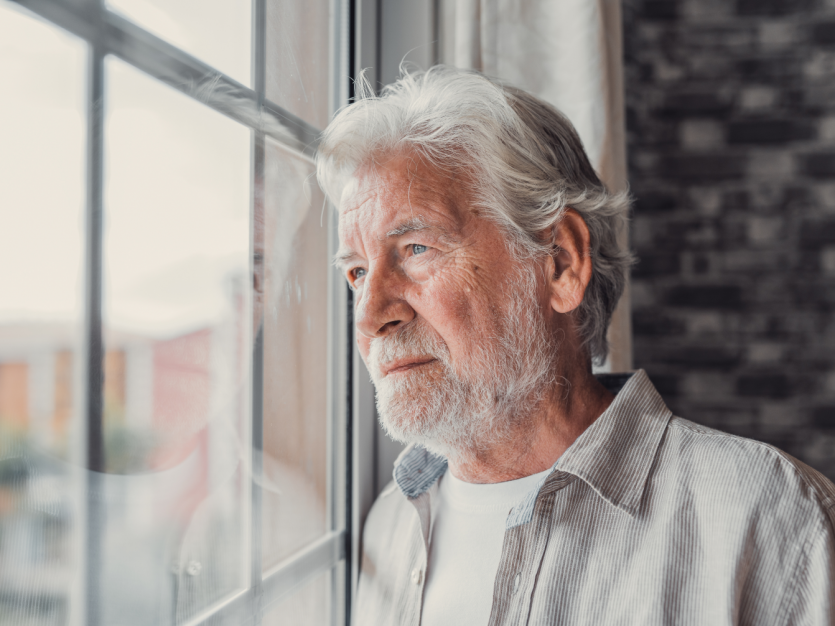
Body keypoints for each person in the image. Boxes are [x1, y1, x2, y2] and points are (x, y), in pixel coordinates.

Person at [316, 66, 835, 625]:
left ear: (561, 263)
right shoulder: (388, 525)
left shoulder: (771, 518)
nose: (370, 315)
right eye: (357, 273)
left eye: (417, 248)